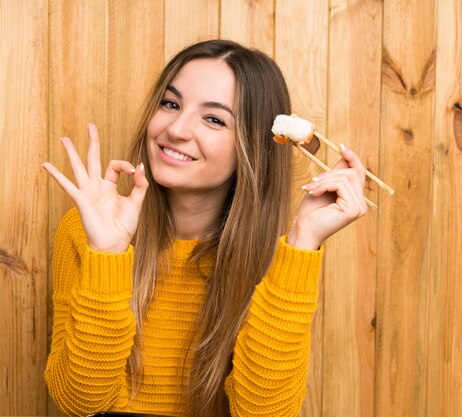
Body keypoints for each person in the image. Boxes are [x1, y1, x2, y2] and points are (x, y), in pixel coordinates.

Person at [42, 39, 368, 417]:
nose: (177, 129)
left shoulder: (274, 262)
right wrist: (108, 256)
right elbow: (77, 403)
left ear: (253, 147)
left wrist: (302, 241)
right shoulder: (85, 232)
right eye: (171, 103)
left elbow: (264, 413)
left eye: (213, 119)